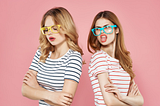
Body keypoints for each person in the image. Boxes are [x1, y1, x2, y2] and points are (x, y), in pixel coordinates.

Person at [21, 7, 83, 106]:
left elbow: (64, 103)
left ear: (67, 27)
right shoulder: (42, 52)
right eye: (46, 29)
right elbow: (24, 89)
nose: (49, 32)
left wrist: (36, 88)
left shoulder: (74, 58)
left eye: (55, 28)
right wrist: (52, 96)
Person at [88, 11, 144, 106]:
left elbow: (140, 101)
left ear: (116, 30)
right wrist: (131, 102)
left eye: (107, 27)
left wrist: (123, 97)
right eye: (98, 29)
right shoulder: (100, 58)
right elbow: (110, 101)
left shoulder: (123, 61)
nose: (102, 32)